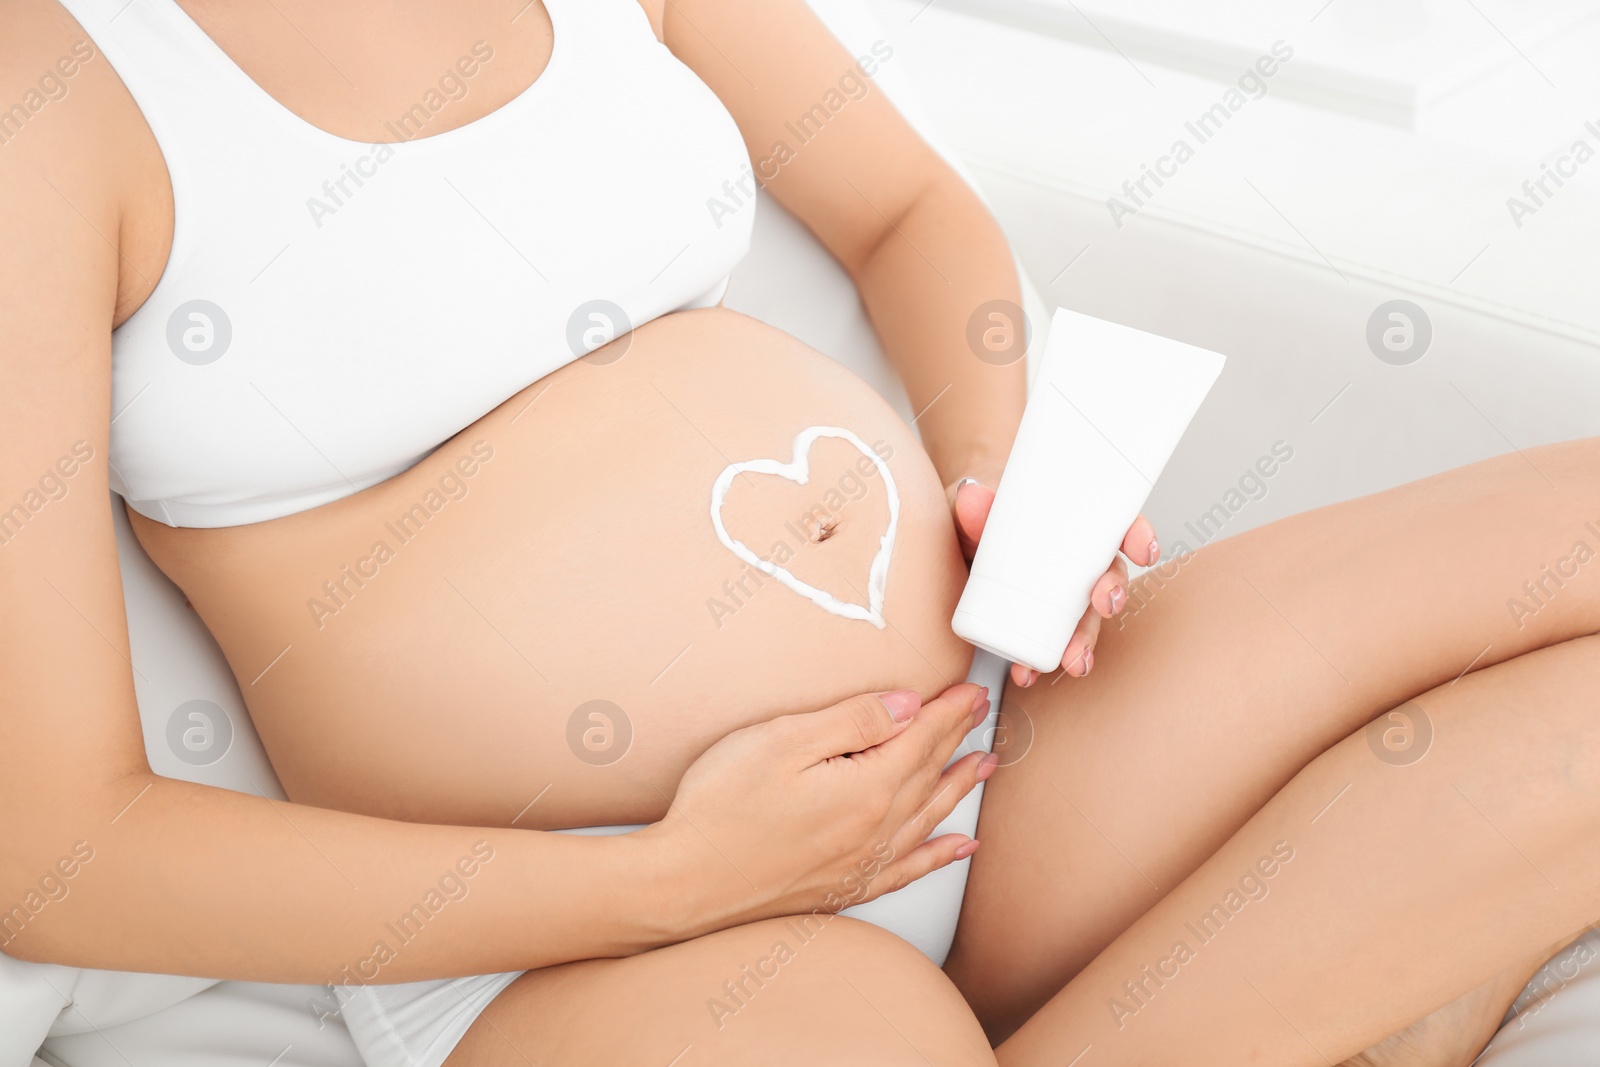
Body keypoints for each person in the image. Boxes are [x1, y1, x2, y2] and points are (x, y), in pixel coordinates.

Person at [3, 1, 1595, 1064]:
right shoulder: (54, 92)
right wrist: (681, 884)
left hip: (980, 738)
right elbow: (57, 856)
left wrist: (1007, 488)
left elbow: (911, 213)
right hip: (587, 931)